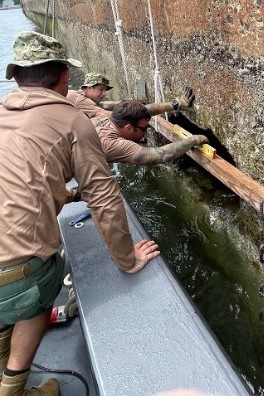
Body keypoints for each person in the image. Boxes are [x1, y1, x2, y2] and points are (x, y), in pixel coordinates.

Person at [0, 31, 159, 395]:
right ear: (64, 77)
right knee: (41, 285)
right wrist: (127, 260)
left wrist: (65, 194)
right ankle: (13, 390)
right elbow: (103, 197)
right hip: (15, 274)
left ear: (16, 77)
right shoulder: (74, 121)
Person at [95, 100, 208, 165]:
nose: (144, 134)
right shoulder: (112, 144)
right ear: (128, 128)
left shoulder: (108, 117)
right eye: (144, 129)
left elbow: (145, 110)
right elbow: (161, 154)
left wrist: (177, 104)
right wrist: (194, 139)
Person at [67, 72, 197, 125]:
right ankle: (180, 104)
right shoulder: (80, 101)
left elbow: (106, 105)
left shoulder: (80, 97)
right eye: (101, 89)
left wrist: (131, 102)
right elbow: (126, 115)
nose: (104, 93)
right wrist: (176, 104)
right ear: (88, 88)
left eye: (105, 90)